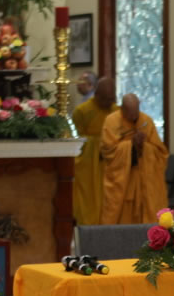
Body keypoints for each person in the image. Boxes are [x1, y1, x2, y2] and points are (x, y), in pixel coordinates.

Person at [100, 93, 169, 224]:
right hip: (122, 180)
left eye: (135, 112)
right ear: (122, 108)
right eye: (130, 113)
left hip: (144, 178)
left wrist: (143, 146)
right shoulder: (111, 121)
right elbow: (108, 151)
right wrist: (131, 145)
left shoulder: (146, 121)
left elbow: (160, 152)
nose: (133, 117)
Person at [72, 74, 118, 225]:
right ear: (96, 94)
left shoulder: (117, 111)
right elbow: (77, 139)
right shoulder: (82, 111)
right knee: (88, 196)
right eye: (105, 98)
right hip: (88, 164)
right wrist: (97, 142)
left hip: (111, 162)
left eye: (111, 98)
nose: (108, 102)